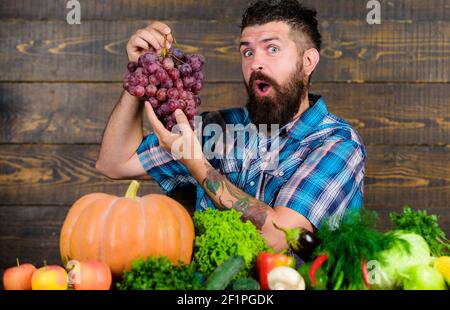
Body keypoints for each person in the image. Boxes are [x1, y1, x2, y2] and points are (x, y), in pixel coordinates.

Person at [96, 0, 366, 252]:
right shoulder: (218, 127)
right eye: (247, 51)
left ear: (308, 61)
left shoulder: (336, 143)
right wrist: (140, 71)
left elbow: (281, 237)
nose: (255, 63)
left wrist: (195, 162)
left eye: (272, 49)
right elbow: (115, 162)